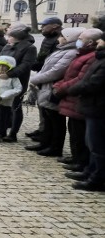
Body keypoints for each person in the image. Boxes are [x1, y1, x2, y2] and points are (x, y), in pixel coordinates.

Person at [27, 27, 82, 157]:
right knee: (47, 118)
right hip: (46, 87)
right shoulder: (62, 50)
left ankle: (55, 147)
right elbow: (46, 67)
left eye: (61, 36)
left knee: (56, 120)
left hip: (53, 88)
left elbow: (56, 71)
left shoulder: (71, 53)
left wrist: (35, 79)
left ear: (68, 38)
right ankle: (45, 143)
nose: (58, 39)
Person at [52, 29, 102, 172]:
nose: (78, 40)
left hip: (79, 98)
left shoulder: (91, 57)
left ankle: (82, 162)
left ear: (91, 41)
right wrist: (59, 85)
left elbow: (82, 79)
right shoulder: (82, 54)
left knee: (82, 135)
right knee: (75, 131)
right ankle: (78, 159)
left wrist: (63, 88)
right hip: (73, 97)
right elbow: (68, 74)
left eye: (81, 38)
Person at [62, 33, 105, 191]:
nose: (99, 42)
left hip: (98, 107)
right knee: (92, 144)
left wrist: (72, 89)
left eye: (102, 39)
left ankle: (97, 179)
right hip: (91, 106)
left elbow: (93, 83)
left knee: (98, 146)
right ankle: (90, 171)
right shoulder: (99, 58)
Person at [0, 24, 37, 141]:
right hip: (1, 79)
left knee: (15, 106)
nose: (7, 37)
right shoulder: (7, 46)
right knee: (2, 105)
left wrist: (9, 74)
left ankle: (13, 133)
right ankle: (0, 131)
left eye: (9, 35)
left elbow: (25, 65)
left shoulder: (30, 48)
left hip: (18, 80)